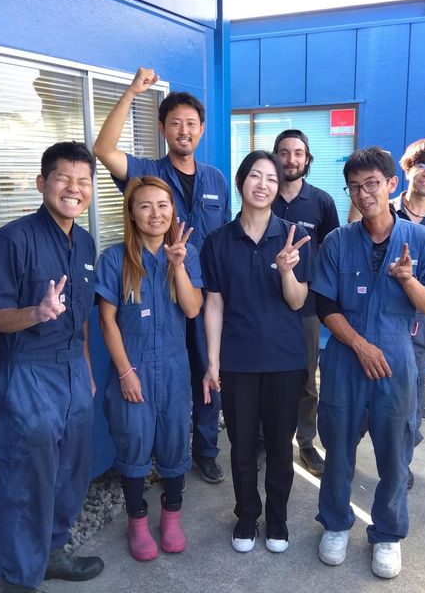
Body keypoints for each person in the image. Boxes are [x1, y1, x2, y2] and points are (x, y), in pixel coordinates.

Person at [0, 141, 104, 593]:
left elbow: (80, 315)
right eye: (63, 178)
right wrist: (35, 312)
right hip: (27, 372)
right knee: (28, 476)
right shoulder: (11, 241)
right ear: (42, 183)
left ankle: (52, 553)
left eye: (83, 181)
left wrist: (86, 369)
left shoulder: (84, 242)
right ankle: (19, 578)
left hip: (73, 369)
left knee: (72, 469)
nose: (74, 189)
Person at [312, 147, 425, 578]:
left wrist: (408, 280)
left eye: (372, 183)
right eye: (354, 187)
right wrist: (359, 346)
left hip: (396, 363)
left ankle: (387, 534)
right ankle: (336, 524)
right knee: (338, 450)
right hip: (344, 361)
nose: (364, 193)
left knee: (394, 455)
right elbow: (324, 304)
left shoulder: (422, 241)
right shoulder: (337, 242)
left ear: (391, 184)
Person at [94, 67, 230, 485]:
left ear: (201, 129)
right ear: (162, 129)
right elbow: (103, 149)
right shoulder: (146, 173)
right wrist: (132, 92)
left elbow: (223, 237)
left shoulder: (216, 178)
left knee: (207, 370)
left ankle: (204, 449)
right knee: (161, 372)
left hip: (200, 290)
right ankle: (153, 454)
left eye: (191, 123)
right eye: (175, 123)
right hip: (158, 290)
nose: (183, 131)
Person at [201, 151, 311, 554]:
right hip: (238, 362)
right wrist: (213, 361)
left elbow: (298, 301)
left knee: (281, 447)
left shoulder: (294, 237)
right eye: (255, 176)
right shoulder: (218, 241)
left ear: (279, 187)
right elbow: (214, 303)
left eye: (271, 178)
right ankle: (247, 515)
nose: (262, 185)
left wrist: (286, 270)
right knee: (242, 445)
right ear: (240, 181)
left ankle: (277, 519)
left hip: (284, 361)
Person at [96, 176, 203, 561]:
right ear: (131, 213)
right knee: (133, 444)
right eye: (144, 205)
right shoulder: (115, 259)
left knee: (175, 441)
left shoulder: (186, 254)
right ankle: (137, 521)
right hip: (133, 367)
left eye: (162, 205)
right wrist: (125, 372)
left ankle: (171, 517)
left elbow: (192, 309)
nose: (155, 213)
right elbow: (107, 321)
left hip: (174, 368)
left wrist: (178, 266)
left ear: (173, 211)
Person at [348, 138, 425, 488]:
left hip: (413, 330)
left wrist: (409, 282)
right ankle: (344, 455)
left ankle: (400, 464)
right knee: (357, 397)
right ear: (404, 173)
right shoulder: (378, 203)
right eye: (420, 165)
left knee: (407, 402)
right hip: (367, 320)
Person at [270, 129, 340, 477]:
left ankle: (307, 442)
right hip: (266, 303)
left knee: (306, 379)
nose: (291, 159)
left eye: (298, 153)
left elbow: (332, 253)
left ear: (307, 159)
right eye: (284, 152)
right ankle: (266, 439)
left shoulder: (321, 202)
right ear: (275, 156)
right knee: (266, 375)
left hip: (306, 306)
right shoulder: (263, 194)